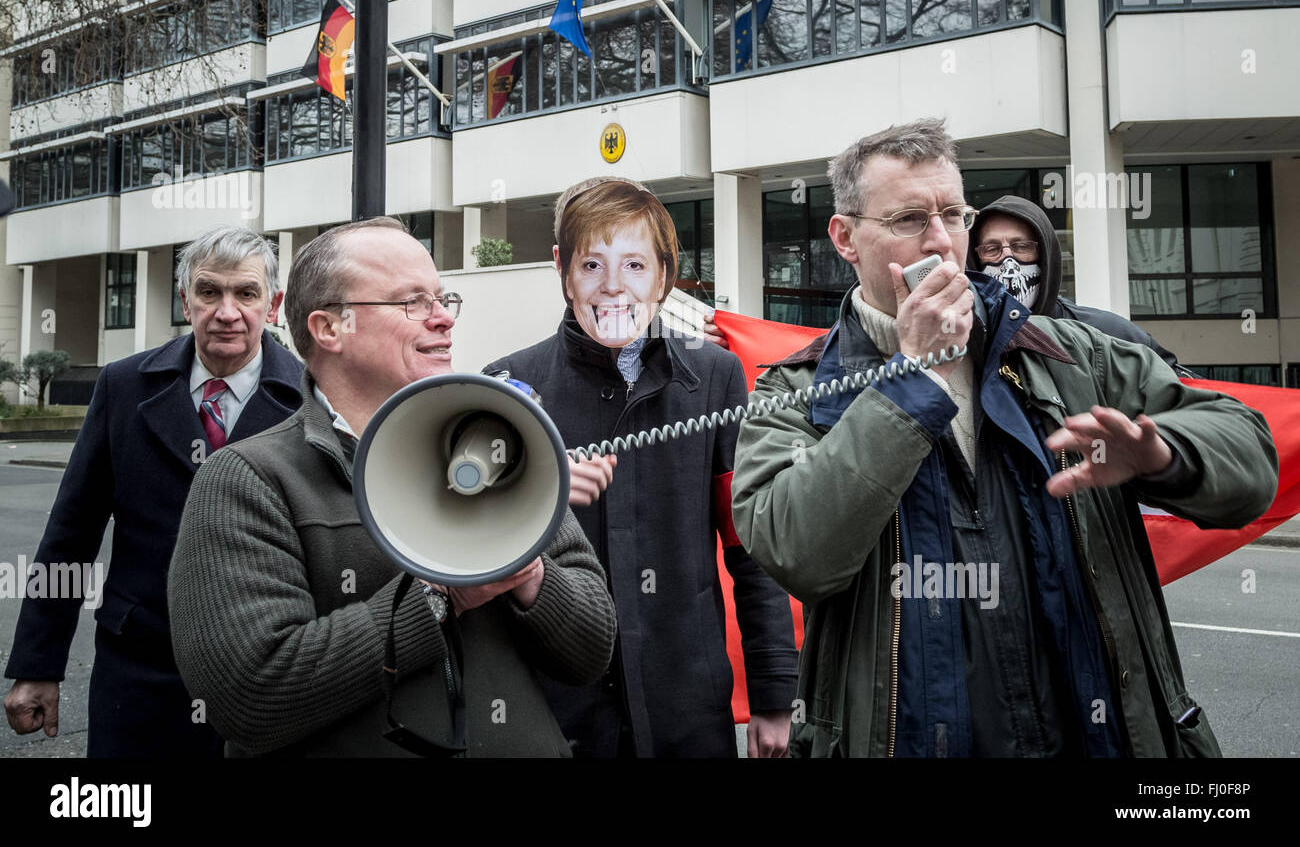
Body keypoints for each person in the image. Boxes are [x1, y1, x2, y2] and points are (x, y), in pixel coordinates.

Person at [731, 118, 1278, 757]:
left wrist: (1161, 455)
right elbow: (798, 550)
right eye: (909, 220)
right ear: (846, 237)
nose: (941, 243)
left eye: (955, 216)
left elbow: (1249, 452)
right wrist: (914, 379)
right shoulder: (795, 391)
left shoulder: (1070, 355)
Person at [167, 217, 617, 757]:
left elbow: (592, 650)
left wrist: (529, 572)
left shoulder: (501, 436)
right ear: (330, 328)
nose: (444, 318)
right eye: (413, 302)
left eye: (442, 297)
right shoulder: (249, 480)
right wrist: (442, 594)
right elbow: (251, 695)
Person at [484, 176, 798, 758]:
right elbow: (482, 553)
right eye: (591, 266)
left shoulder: (715, 377)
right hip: (560, 711)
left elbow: (749, 542)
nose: (612, 287)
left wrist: (774, 693)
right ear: (561, 268)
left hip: (688, 703)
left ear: (663, 275)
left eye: (633, 266)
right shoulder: (509, 386)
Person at [4, 226, 302, 757]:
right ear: (186, 301)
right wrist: (37, 664)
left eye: (246, 293)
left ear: (273, 304)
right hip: (139, 671)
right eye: (209, 292)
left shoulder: (311, 399)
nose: (227, 311)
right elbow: (71, 533)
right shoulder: (123, 386)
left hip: (266, 676)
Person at [968, 194, 1192, 375]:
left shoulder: (1105, 332)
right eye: (991, 249)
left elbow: (1183, 392)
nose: (1008, 263)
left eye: (1021, 247)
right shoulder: (966, 339)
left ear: (1046, 256)